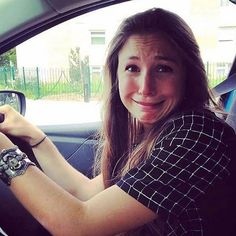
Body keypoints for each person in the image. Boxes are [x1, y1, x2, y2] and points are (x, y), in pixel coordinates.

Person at [0, 8, 235, 236]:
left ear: (187, 75)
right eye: (132, 68)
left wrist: (4, 151)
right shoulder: (155, 132)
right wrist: (35, 137)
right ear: (117, 76)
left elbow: (78, 225)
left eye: (163, 68)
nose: (145, 88)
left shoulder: (198, 137)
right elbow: (85, 193)